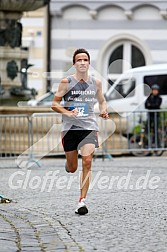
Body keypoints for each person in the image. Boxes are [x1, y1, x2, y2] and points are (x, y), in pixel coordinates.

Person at [51, 48, 109, 215]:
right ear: (74, 64)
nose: (82, 62)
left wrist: (104, 110)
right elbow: (54, 103)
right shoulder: (66, 82)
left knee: (87, 161)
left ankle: (81, 201)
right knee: (73, 167)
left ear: (89, 63)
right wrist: (68, 112)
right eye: (79, 60)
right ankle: (69, 164)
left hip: (89, 127)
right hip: (70, 129)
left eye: (85, 60)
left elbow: (102, 101)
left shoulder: (96, 83)